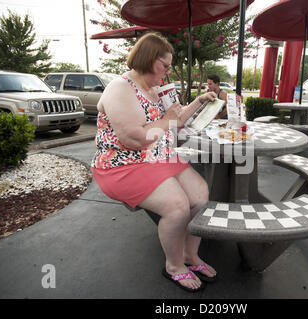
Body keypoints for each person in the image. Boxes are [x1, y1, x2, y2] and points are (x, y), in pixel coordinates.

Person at [91, 32, 217, 293]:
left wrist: (200, 101)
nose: (167, 73)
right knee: (177, 206)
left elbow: (177, 118)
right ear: (149, 59)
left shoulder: (153, 89)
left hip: (156, 157)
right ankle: (174, 266)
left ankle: (190, 256)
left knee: (200, 195)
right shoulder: (120, 88)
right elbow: (136, 138)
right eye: (165, 66)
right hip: (122, 164)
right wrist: (170, 119)